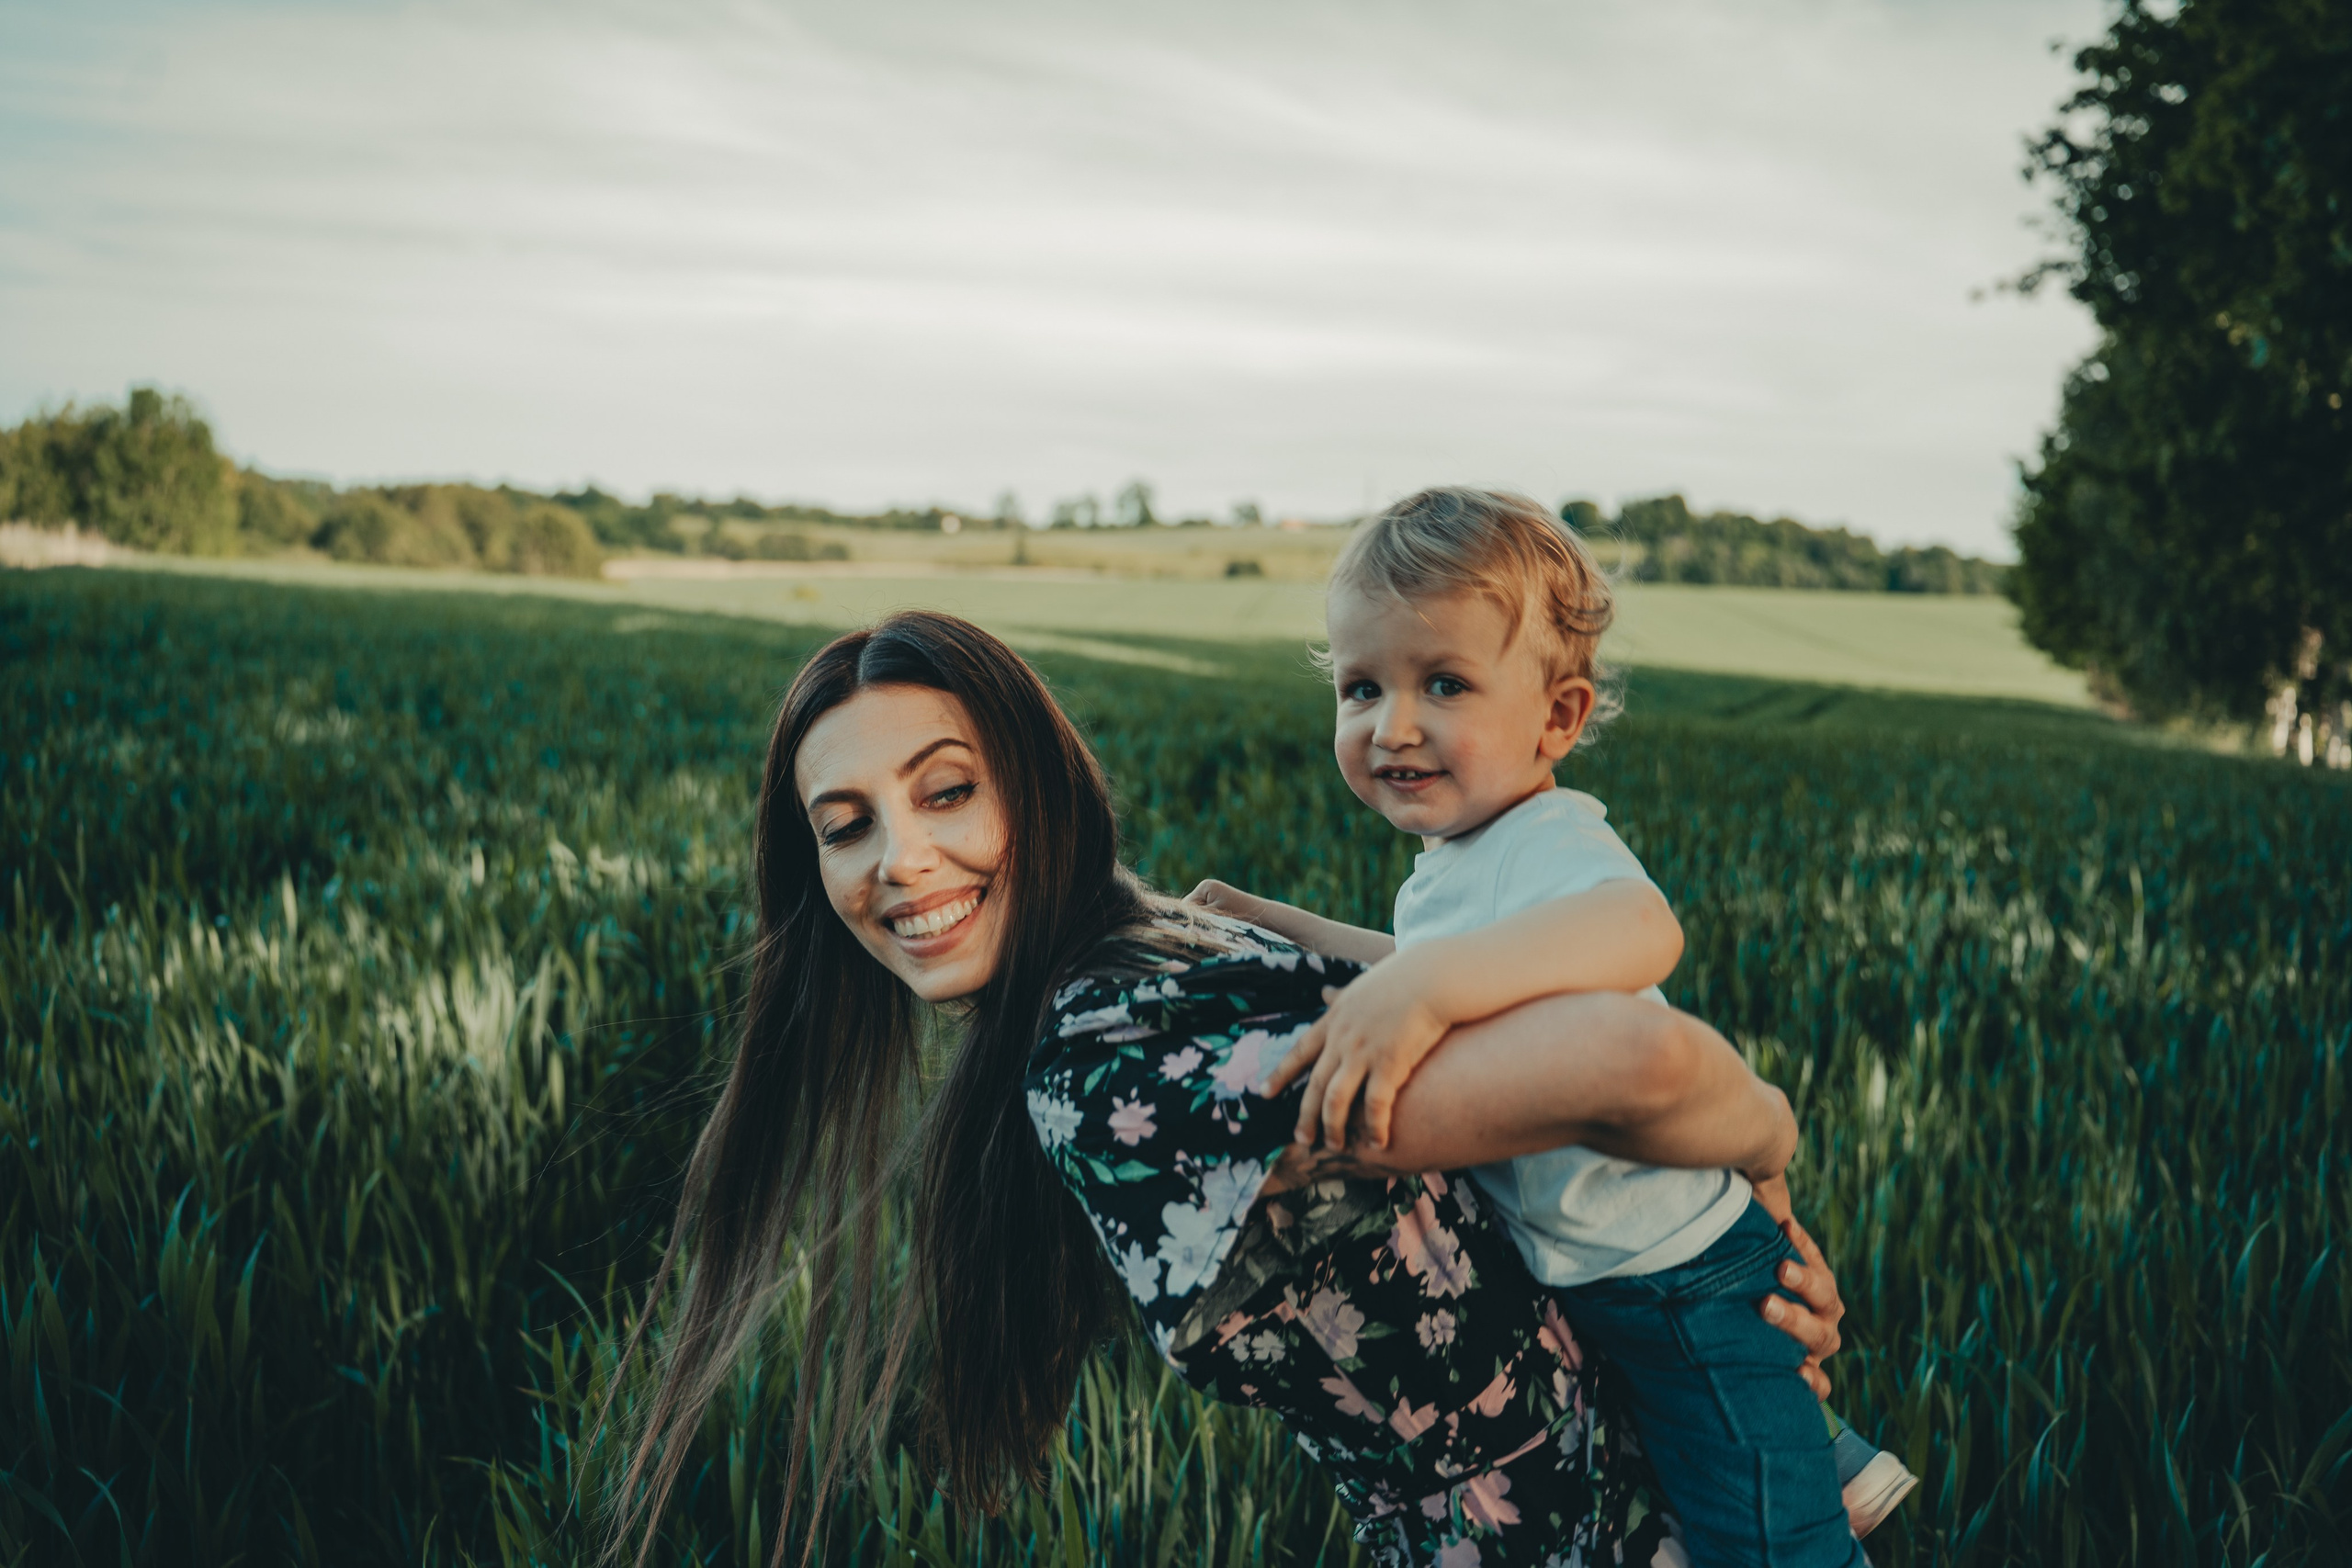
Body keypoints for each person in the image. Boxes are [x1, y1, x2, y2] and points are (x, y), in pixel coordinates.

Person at [614, 609, 1856, 1567]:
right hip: (1657, 1476)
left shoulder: (1115, 1060)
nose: (901, 859)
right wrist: (1715, 1268)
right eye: (846, 826)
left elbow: (1637, 1059)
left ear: (1039, 781)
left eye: (947, 791)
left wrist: (1757, 1176)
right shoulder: (1164, 952)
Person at [1189, 488, 1916, 1565]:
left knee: (1768, 1546)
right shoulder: (1458, 864)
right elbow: (1415, 972)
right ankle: (1824, 1451)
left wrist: (1429, 990)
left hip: (1676, 1280)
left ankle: (1811, 1486)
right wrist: (1267, 922)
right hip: (1609, 1271)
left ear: (1558, 719)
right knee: (1697, 1449)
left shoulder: (1546, 838)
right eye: (1360, 687)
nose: (1392, 725)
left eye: (1443, 683)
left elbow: (1642, 928)